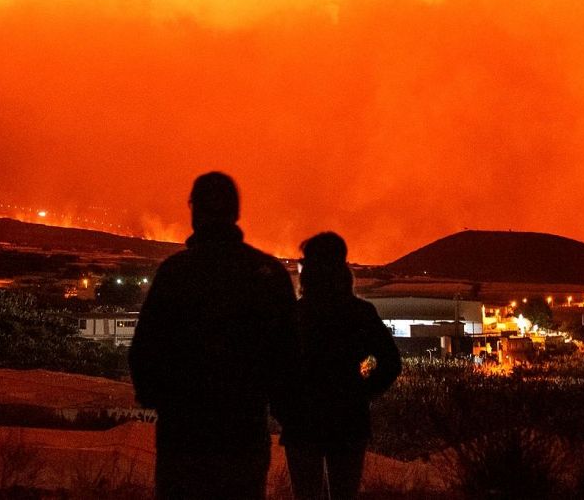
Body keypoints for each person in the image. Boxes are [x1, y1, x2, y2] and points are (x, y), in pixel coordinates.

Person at [128, 172, 302, 500]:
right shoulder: (266, 275)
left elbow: (145, 348)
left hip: (183, 434)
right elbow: (289, 355)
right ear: (236, 213)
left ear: (194, 211)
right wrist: (282, 407)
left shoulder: (176, 273)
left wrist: (156, 397)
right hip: (243, 431)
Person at [283, 232, 400, 500]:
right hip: (348, 421)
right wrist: (362, 386)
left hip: (303, 422)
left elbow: (276, 367)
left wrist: (286, 407)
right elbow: (387, 361)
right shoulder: (360, 313)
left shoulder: (295, 315)